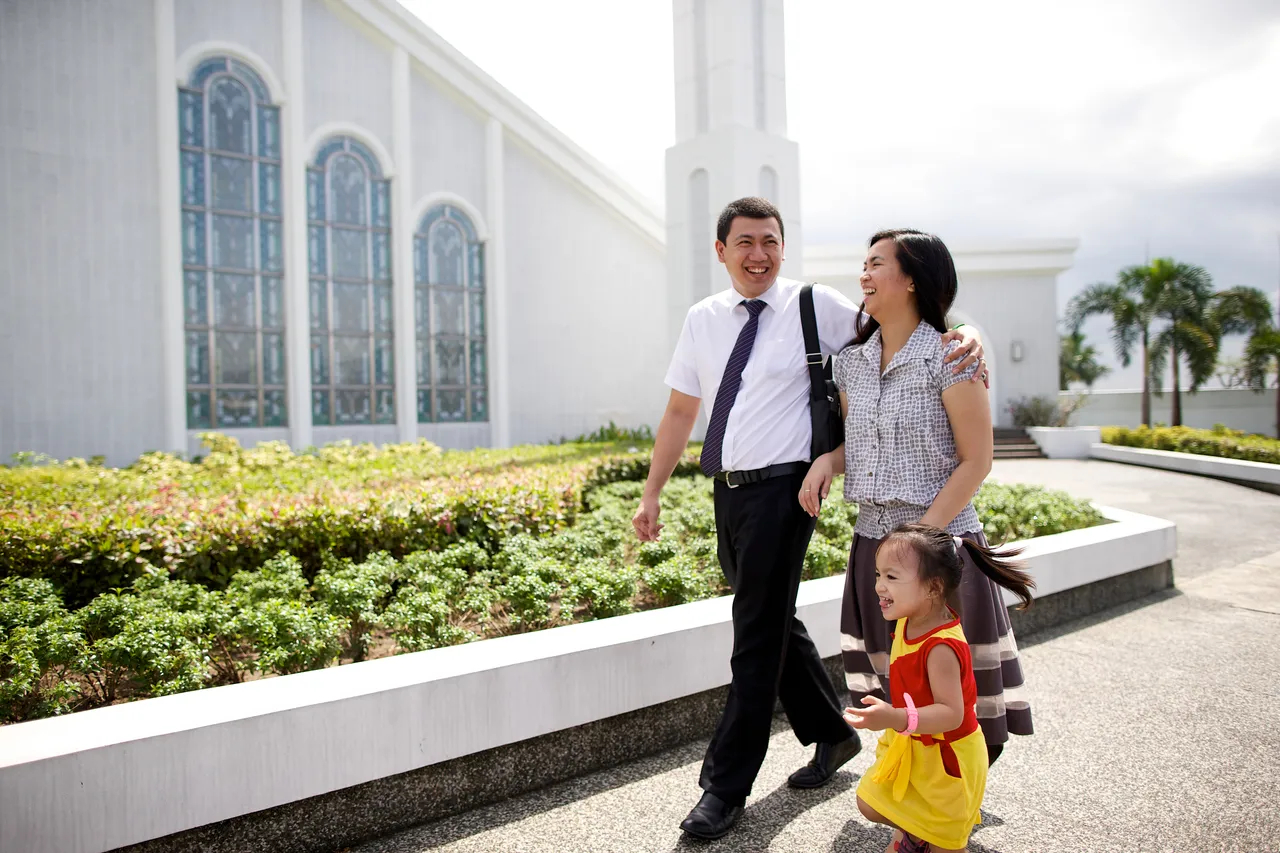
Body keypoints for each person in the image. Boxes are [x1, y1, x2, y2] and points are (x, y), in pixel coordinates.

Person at [633, 199, 988, 841]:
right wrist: (652, 491)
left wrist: (968, 334)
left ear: (783, 247)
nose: (758, 254)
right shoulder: (703, 319)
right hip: (730, 489)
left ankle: (724, 787)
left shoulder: (814, 306)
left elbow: (908, 317)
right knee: (768, 615)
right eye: (745, 242)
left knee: (754, 635)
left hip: (788, 490)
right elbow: (683, 411)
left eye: (770, 241)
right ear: (721, 251)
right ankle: (830, 731)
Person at [799, 228, 1033, 770]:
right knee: (900, 686)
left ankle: (951, 800)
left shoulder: (950, 355)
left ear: (910, 279)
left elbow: (977, 460)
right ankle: (923, 796)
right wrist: (825, 461)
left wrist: (919, 543)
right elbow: (861, 448)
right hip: (873, 550)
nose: (864, 274)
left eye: (876, 264)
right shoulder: (851, 364)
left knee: (958, 696)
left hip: (938, 549)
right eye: (864, 262)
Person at [844, 523, 1034, 853]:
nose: (878, 586)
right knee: (871, 802)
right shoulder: (908, 619)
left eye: (891, 577)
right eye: (878, 574)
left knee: (946, 845)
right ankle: (915, 833)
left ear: (932, 587)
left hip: (947, 764)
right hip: (915, 746)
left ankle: (922, 836)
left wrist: (895, 717)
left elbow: (950, 713)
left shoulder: (941, 647)